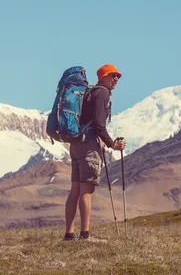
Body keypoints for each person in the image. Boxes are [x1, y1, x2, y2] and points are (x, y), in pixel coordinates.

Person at [63, 64, 126, 241]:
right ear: (103, 77)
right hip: (89, 146)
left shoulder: (89, 93)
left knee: (75, 190)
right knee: (86, 191)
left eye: (118, 76)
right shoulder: (102, 93)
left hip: (76, 145)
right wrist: (112, 144)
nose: (116, 79)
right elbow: (99, 124)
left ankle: (69, 235)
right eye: (113, 75)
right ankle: (85, 235)